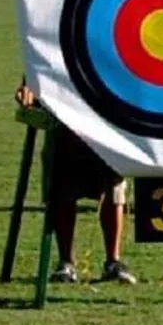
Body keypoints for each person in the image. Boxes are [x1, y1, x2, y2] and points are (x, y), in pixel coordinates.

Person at [15, 82, 137, 285]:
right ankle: (66, 262)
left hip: (108, 118)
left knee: (114, 191)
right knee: (63, 190)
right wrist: (29, 86)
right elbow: (40, 54)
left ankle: (113, 261)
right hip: (66, 122)